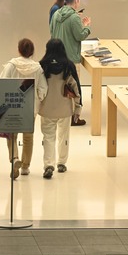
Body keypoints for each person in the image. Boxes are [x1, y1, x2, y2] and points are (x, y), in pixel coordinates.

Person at [0, 38, 48, 179]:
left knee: (12, 135)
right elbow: (43, 89)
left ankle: (14, 158)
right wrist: (37, 100)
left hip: (12, 106)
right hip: (29, 109)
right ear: (32, 52)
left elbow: (2, 84)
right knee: (28, 138)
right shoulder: (38, 68)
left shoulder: (11, 65)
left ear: (19, 50)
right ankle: (25, 167)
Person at [38, 39, 82, 179]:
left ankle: (48, 164)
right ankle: (62, 163)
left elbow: (38, 88)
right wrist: (78, 108)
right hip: (65, 108)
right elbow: (76, 88)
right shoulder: (68, 66)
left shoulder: (42, 65)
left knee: (48, 136)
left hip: (47, 108)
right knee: (64, 136)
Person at [50, 0, 90, 126]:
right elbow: (80, 36)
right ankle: (75, 118)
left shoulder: (56, 14)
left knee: (59, 86)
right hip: (71, 59)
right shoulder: (74, 17)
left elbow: (51, 31)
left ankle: (59, 113)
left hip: (56, 58)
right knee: (74, 89)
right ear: (77, 1)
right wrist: (87, 27)